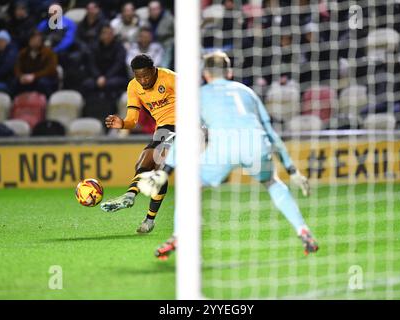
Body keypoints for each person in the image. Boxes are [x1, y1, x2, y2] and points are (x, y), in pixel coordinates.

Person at [137, 51, 319, 260]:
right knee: (273, 183)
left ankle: (180, 235)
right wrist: (292, 170)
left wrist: (167, 170)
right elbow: (271, 133)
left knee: (190, 187)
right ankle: (302, 230)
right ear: (229, 72)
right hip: (256, 144)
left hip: (223, 147)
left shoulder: (199, 95)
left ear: (205, 74)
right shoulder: (247, 92)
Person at [100, 54, 176, 234]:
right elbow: (132, 119)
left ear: (153, 70)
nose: (143, 80)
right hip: (164, 128)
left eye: (146, 76)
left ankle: (130, 194)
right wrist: (122, 124)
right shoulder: (133, 86)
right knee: (149, 166)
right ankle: (148, 219)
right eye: (138, 76)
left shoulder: (171, 79)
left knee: (154, 160)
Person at [13, 30, 58, 97]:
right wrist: (21, 76)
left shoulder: (49, 52)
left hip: (44, 78)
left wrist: (34, 76)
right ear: (29, 40)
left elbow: (51, 69)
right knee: (15, 82)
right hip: (27, 77)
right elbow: (17, 68)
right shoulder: (23, 53)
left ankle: (46, 103)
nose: (36, 41)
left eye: (38, 39)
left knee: (42, 83)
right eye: (34, 39)